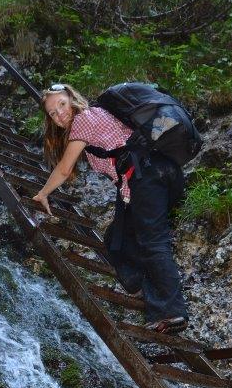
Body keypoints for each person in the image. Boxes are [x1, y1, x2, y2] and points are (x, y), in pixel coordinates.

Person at [32, 83, 189, 334]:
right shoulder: (97, 117)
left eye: (61, 104)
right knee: (117, 239)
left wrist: (42, 194)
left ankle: (171, 312)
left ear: (72, 98)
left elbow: (64, 168)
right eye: (52, 112)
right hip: (158, 172)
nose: (59, 114)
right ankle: (145, 287)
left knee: (152, 241)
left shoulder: (84, 119)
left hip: (146, 174)